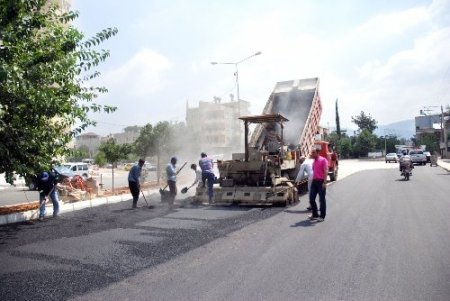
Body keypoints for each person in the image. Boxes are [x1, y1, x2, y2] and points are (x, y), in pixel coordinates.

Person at [308, 148, 328, 222]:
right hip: (314, 181)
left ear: (317, 153)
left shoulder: (323, 160)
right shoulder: (314, 161)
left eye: (313, 152)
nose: (312, 154)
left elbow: (326, 171)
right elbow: (314, 170)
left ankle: (322, 216)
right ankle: (315, 214)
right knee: (311, 199)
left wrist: (325, 182)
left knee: (322, 200)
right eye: (311, 152)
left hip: (321, 182)